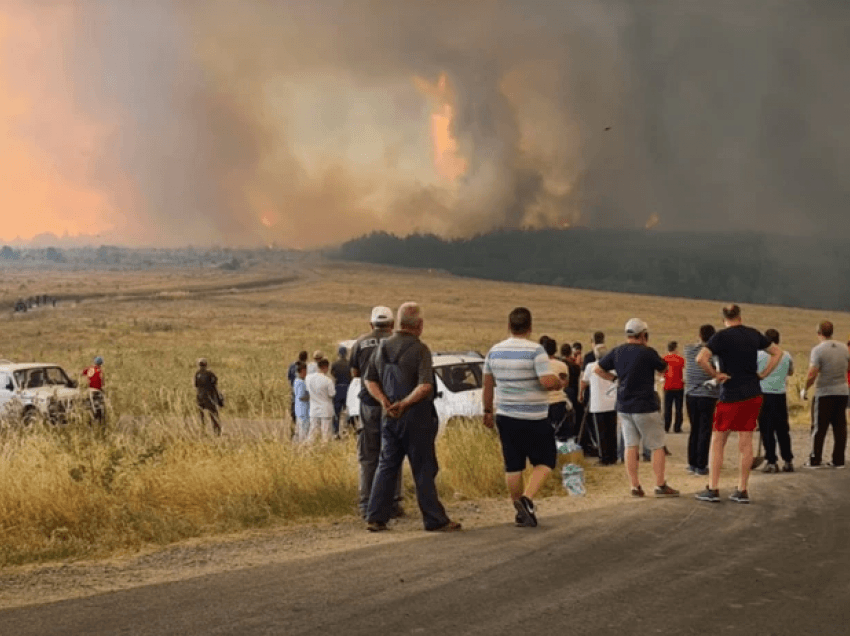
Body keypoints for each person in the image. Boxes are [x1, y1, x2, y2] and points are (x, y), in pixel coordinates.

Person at [364, 302, 460, 532]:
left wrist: (384, 401)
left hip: (389, 417)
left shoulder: (382, 348)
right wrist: (405, 403)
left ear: (397, 323)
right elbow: (425, 386)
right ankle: (434, 519)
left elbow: (369, 380)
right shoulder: (420, 350)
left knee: (387, 465)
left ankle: (376, 516)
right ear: (419, 325)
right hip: (416, 418)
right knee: (423, 468)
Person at [483, 307, 563, 527]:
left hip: (506, 415)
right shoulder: (536, 351)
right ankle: (527, 499)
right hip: (534, 416)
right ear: (530, 327)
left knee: (513, 465)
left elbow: (488, 385)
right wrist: (558, 381)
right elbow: (547, 382)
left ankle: (520, 511)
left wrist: (487, 410)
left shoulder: (494, 352)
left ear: (508, 326)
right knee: (546, 460)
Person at [695, 304, 782, 504]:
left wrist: (716, 375)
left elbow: (701, 358)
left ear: (724, 318)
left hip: (730, 394)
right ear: (740, 316)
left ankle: (713, 487)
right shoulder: (753, 334)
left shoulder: (721, 337)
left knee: (718, 442)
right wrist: (764, 374)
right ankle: (742, 489)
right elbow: (777, 353)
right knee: (746, 442)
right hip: (752, 393)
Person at [596, 319, 678, 498]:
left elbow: (598, 369)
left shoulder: (617, 351)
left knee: (630, 445)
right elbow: (663, 369)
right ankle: (660, 484)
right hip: (645, 405)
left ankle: (635, 486)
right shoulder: (647, 352)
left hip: (624, 405)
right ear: (643, 335)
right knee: (657, 446)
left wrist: (614, 379)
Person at [349, 306, 403, 519]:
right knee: (392, 454)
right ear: (392, 325)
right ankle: (394, 502)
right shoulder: (398, 343)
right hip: (393, 405)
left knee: (368, 455)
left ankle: (365, 503)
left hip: (369, 405)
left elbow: (354, 373)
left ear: (371, 324)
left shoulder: (360, 343)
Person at [802, 321, 850, 468]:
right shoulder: (844, 348)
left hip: (824, 392)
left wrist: (805, 388)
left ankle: (815, 459)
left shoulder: (818, 350)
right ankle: (838, 460)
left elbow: (812, 372)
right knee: (840, 426)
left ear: (819, 333)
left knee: (819, 427)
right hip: (842, 391)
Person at [683, 325, 720, 476]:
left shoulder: (689, 350)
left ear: (699, 335)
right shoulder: (713, 354)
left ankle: (691, 463)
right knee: (705, 430)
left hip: (691, 394)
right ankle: (701, 465)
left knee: (694, 429)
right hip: (707, 394)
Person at [757, 329, 795, 473]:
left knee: (767, 430)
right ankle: (788, 460)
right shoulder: (786, 355)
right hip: (780, 394)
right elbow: (791, 372)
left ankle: (771, 461)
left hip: (764, 395)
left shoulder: (758, 355)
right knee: (782, 429)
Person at [582, 344, 618, 465]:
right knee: (612, 431)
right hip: (612, 402)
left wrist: (580, 393)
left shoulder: (590, 366)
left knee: (601, 433)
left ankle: (604, 457)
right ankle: (613, 456)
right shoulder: (614, 367)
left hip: (598, 404)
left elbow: (584, 381)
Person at [540, 337, 571, 448]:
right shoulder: (562, 365)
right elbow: (565, 383)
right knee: (561, 435)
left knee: (543, 435)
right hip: (558, 402)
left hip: (542, 404)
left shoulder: (539, 366)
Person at [305, 358, 335, 443]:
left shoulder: (308, 378)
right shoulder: (328, 380)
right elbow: (332, 394)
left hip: (313, 409)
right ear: (326, 367)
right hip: (325, 409)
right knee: (325, 432)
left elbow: (308, 390)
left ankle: (309, 447)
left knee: (312, 431)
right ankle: (324, 449)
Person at [195, 358, 223, 436]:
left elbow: (196, 385)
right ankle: (216, 431)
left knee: (202, 415)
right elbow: (214, 385)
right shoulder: (210, 374)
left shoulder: (198, 374)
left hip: (200, 396)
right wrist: (217, 397)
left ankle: (203, 431)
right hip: (209, 396)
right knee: (213, 414)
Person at [663, 341, 685, 433]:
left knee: (667, 408)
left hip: (668, 386)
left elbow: (661, 372)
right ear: (675, 348)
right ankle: (677, 427)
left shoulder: (664, 359)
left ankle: (666, 426)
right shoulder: (680, 359)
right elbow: (684, 371)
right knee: (678, 408)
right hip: (679, 386)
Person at [331, 346, 352, 437]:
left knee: (336, 411)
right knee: (348, 410)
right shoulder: (350, 364)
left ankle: (336, 432)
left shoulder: (335, 364)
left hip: (338, 388)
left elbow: (332, 374)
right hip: (348, 388)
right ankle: (347, 430)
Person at [82, 356, 106, 427]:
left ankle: (89, 422)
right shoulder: (99, 370)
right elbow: (102, 381)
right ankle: (99, 423)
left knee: (90, 407)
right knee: (99, 408)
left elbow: (82, 373)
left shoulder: (89, 368)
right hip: (96, 391)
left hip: (89, 390)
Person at [288, 351, 308, 427]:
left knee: (294, 403)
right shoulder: (304, 366)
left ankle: (294, 420)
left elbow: (289, 377)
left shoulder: (292, 365)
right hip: (302, 388)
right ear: (306, 358)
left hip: (294, 388)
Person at [292, 362, 310, 443]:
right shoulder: (301, 383)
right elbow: (301, 396)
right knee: (303, 432)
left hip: (300, 409)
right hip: (303, 410)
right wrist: (311, 396)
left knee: (299, 430)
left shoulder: (297, 381)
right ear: (302, 371)